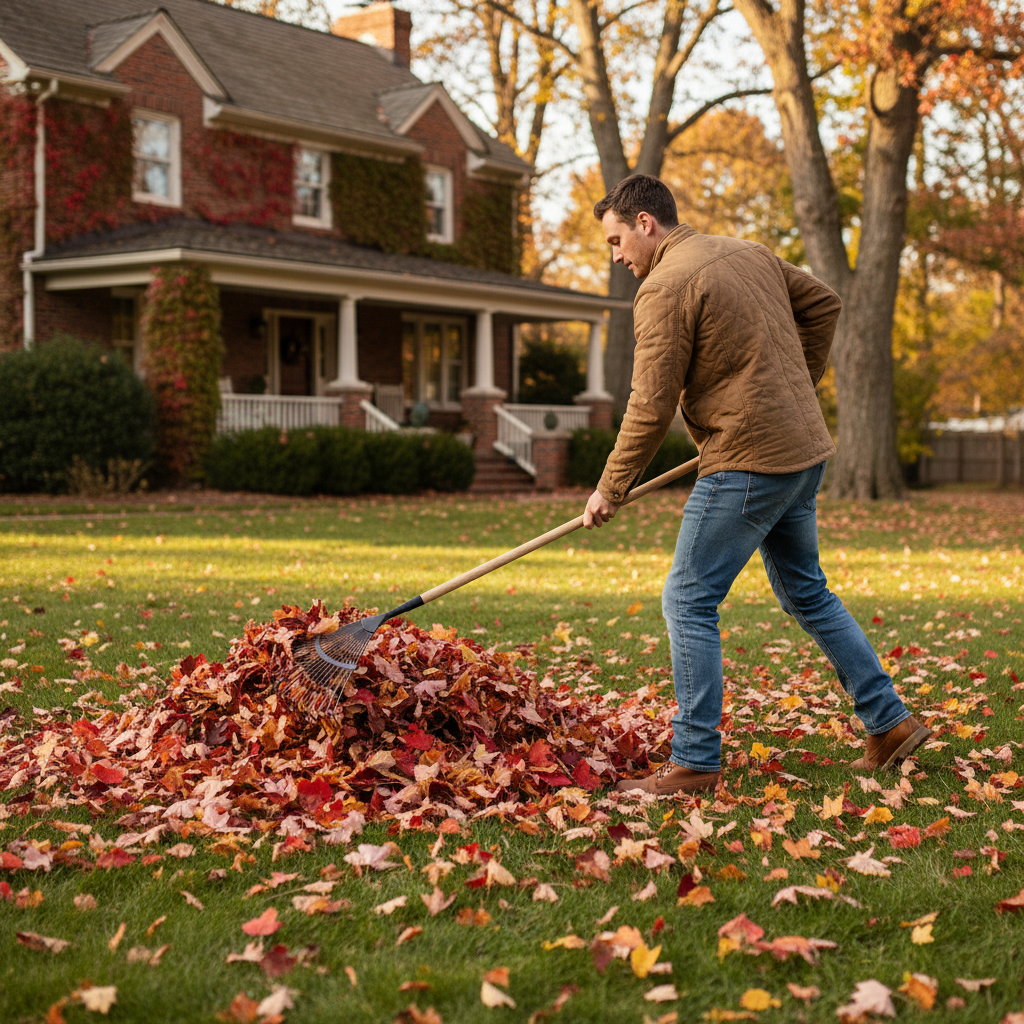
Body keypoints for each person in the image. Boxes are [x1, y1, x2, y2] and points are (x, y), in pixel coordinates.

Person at [583, 173, 930, 797]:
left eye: (615, 242)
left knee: (688, 600)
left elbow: (651, 402)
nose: (617, 258)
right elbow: (824, 301)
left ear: (644, 223)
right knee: (807, 592)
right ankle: (889, 723)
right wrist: (796, 383)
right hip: (801, 450)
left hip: (750, 460)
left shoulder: (665, 285)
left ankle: (692, 762)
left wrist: (610, 485)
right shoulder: (746, 252)